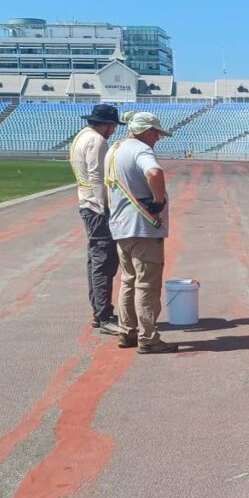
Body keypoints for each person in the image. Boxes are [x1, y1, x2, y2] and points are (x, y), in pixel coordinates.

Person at [105, 111, 178, 355]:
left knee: (128, 280)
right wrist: (158, 202)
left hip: (120, 226)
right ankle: (148, 338)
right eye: (156, 132)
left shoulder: (115, 149)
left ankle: (128, 331)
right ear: (145, 130)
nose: (158, 137)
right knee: (147, 284)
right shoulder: (141, 150)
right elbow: (155, 173)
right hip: (143, 227)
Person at [69, 104, 125, 334]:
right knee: (104, 261)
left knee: (95, 261)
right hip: (95, 205)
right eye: (113, 126)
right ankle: (103, 316)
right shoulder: (97, 141)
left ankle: (99, 311)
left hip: (85, 201)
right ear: (108, 125)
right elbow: (96, 174)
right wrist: (105, 206)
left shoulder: (81, 136)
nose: (113, 131)